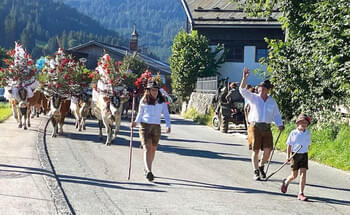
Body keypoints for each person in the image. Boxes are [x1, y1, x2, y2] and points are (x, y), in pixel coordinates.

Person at [239, 68, 284, 180]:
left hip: (267, 127)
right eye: (260, 88)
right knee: (256, 150)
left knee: (268, 150)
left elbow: (276, 115)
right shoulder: (253, 98)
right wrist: (244, 78)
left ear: (268, 90)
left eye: (264, 88)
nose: (261, 90)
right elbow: (242, 90)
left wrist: (280, 124)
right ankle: (255, 171)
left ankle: (261, 165)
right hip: (255, 127)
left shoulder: (272, 101)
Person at [131, 80, 171, 181]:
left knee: (153, 149)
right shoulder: (143, 101)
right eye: (153, 90)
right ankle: (148, 171)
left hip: (156, 127)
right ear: (148, 91)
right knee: (147, 148)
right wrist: (135, 122)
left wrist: (168, 125)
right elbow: (140, 114)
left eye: (156, 90)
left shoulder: (161, 102)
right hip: (145, 126)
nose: (155, 92)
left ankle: (148, 168)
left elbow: (166, 114)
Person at [281, 114, 312, 201]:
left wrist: (305, 152)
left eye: (305, 123)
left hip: (304, 155)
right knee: (294, 175)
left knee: (303, 173)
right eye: (301, 122)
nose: (304, 124)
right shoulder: (293, 133)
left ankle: (301, 193)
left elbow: (308, 144)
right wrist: (288, 156)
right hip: (295, 155)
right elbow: (289, 145)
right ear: (298, 123)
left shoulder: (308, 133)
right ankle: (286, 182)